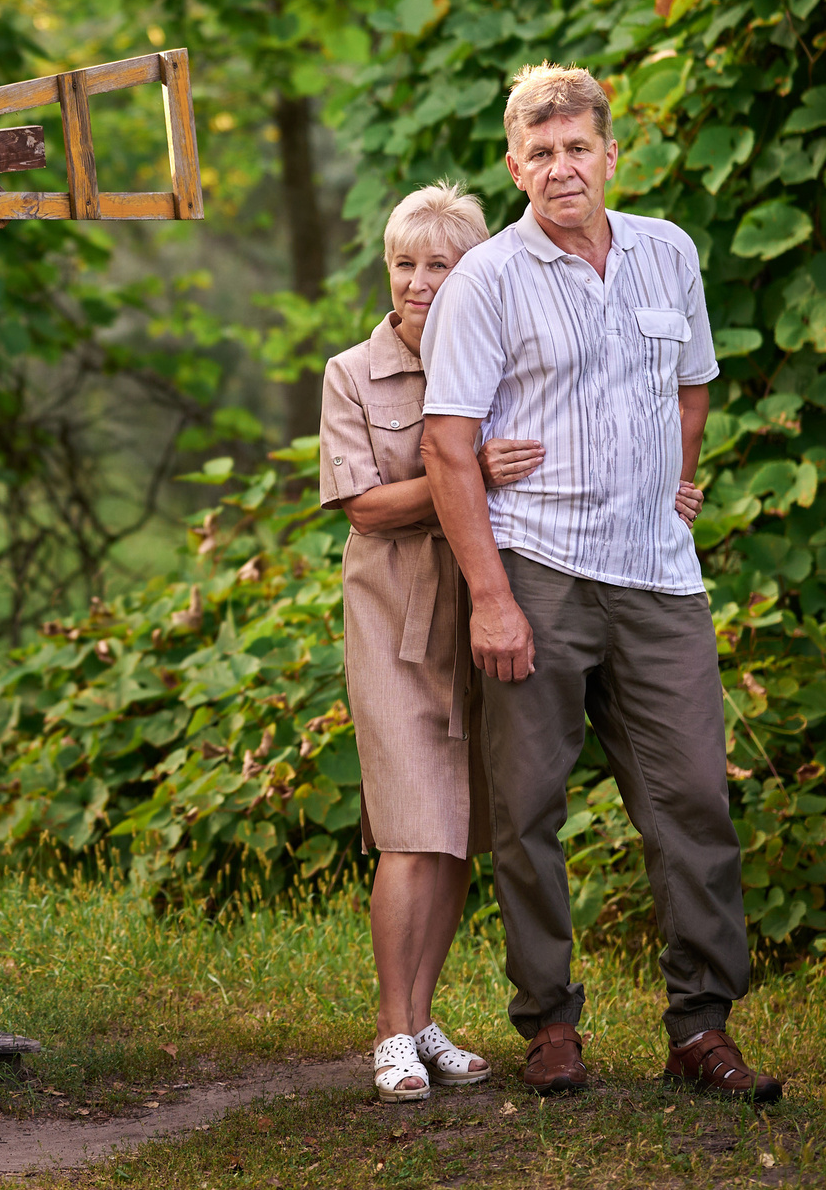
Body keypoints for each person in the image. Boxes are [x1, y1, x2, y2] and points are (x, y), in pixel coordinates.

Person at [416, 64, 782, 1103]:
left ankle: (699, 1027)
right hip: (538, 567)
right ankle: (548, 1025)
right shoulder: (487, 277)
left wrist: (669, 484)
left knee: (693, 801)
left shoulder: (668, 252)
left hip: (660, 578)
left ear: (610, 152)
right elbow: (449, 449)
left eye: (577, 147)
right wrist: (491, 595)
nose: (560, 167)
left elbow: (691, 387)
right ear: (512, 164)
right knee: (528, 806)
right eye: (539, 153)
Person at [318, 181, 547, 1102]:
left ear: (471, 272)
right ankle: (387, 1033)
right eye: (404, 263)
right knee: (411, 832)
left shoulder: (503, 360)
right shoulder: (352, 373)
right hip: (395, 627)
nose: (417, 282)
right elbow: (363, 506)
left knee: (459, 833)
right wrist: (463, 469)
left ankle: (421, 1019)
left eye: (438, 264)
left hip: (489, 617)